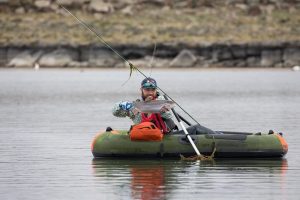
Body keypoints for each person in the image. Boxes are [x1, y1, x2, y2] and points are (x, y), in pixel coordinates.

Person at [112, 77, 177, 133]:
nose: (150, 92)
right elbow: (114, 112)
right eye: (147, 90)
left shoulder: (161, 100)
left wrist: (162, 112)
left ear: (156, 90)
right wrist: (122, 105)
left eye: (153, 90)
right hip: (144, 136)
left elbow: (169, 116)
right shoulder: (136, 105)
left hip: (164, 134)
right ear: (141, 90)